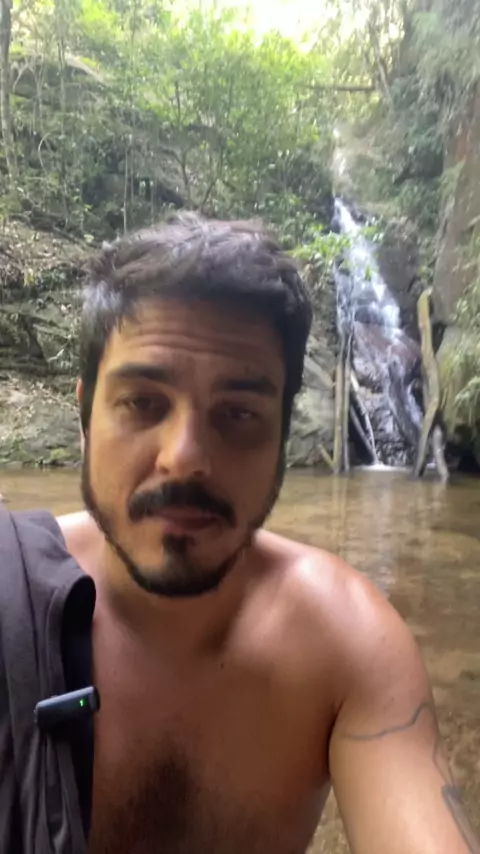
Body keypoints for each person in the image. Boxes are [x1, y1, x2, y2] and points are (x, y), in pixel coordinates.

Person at [1, 213, 478, 854]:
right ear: (85, 419)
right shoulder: (10, 590)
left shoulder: (345, 643)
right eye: (142, 403)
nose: (185, 457)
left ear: (282, 437)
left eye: (238, 413)